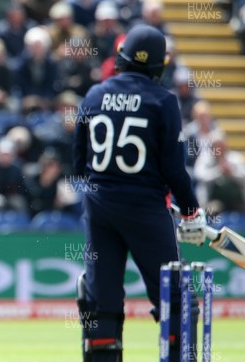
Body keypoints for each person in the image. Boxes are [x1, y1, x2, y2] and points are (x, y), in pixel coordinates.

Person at [72, 25, 207, 362]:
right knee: (176, 297)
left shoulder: (93, 95)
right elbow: (175, 169)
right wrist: (190, 209)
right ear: (159, 64)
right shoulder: (163, 101)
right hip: (146, 207)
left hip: (100, 207)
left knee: (100, 302)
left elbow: (77, 164)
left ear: (122, 56)